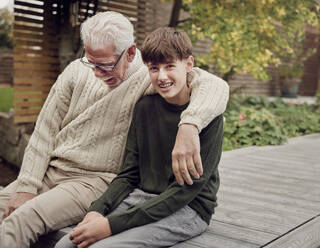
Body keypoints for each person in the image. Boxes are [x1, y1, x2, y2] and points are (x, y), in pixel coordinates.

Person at [0, 11, 228, 247]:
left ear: (130, 53)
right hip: (54, 170)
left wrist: (190, 124)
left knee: (20, 221)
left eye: (105, 65)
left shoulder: (148, 76)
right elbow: (44, 132)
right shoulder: (77, 71)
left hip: (93, 181)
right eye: (91, 62)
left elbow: (212, 85)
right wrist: (27, 187)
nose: (96, 73)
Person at [55, 27, 223, 248]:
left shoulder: (208, 117)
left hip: (189, 208)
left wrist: (111, 225)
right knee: (67, 244)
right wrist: (97, 210)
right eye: (154, 68)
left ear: (189, 64)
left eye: (170, 66)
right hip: (142, 197)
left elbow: (184, 193)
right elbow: (128, 174)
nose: (162, 76)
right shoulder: (144, 107)